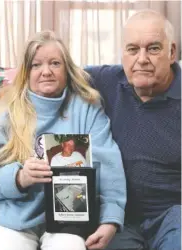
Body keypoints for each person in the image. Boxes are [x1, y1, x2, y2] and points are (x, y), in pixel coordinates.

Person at [0, 30, 126, 250]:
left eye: (55, 63)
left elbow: (109, 167)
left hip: (69, 220)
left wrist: (111, 220)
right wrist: (19, 177)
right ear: (26, 72)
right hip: (14, 217)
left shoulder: (87, 109)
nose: (46, 71)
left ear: (67, 69)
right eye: (36, 65)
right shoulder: (9, 111)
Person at [86, 9, 181, 250]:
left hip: (174, 215)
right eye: (132, 49)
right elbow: (53, 74)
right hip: (120, 219)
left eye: (153, 48)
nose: (141, 59)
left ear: (172, 52)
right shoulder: (106, 80)